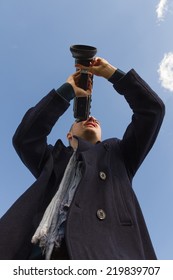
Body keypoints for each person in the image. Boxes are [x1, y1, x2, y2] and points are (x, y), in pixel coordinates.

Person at [0, 57, 165, 260]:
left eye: (96, 119)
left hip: (108, 256)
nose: (92, 118)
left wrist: (112, 74)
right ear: (70, 136)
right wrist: (67, 90)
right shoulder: (53, 159)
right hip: (42, 255)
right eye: (84, 118)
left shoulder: (120, 156)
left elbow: (152, 110)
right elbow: (25, 137)